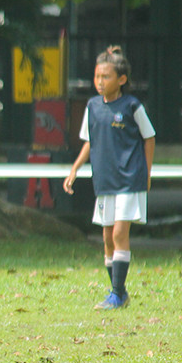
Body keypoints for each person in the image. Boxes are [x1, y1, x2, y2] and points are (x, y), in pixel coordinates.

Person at [64, 45, 155, 310]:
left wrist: (147, 173)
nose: (100, 82)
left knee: (118, 234)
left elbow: (149, 137)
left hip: (129, 178)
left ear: (122, 80)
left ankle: (116, 294)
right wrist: (75, 169)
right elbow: (89, 142)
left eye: (106, 77)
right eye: (97, 77)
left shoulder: (132, 106)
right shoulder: (92, 106)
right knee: (106, 238)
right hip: (105, 180)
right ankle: (119, 292)